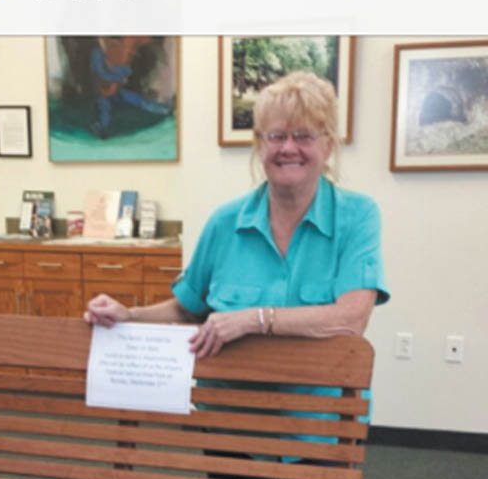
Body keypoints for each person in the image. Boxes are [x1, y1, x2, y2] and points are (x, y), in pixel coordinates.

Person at [84, 70, 389, 347]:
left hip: (318, 407)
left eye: (304, 136)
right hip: (226, 403)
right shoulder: (223, 222)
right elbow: (186, 309)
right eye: (276, 136)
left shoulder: (358, 217)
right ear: (259, 145)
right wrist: (128, 315)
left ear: (328, 146)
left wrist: (253, 320)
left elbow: (351, 319)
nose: (288, 148)